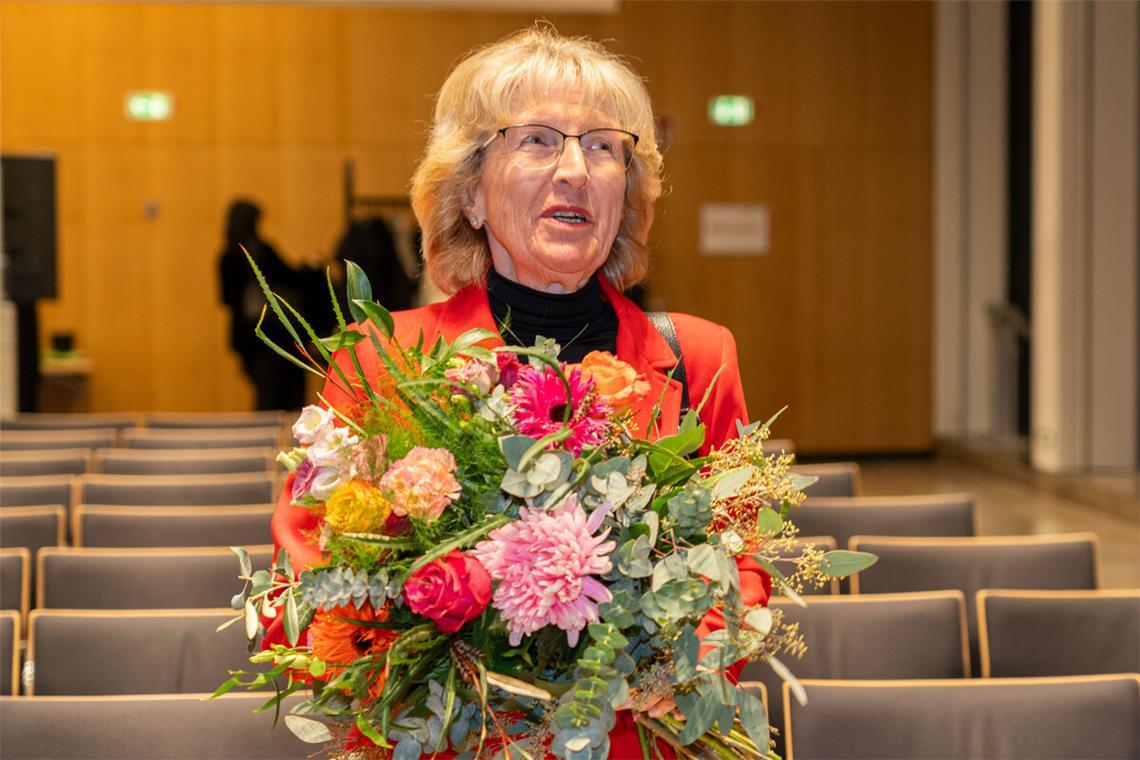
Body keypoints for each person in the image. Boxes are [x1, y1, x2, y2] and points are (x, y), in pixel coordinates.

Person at [271, 27, 758, 757]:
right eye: (537, 140)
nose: (575, 170)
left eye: (603, 147)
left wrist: (671, 668)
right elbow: (311, 570)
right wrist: (445, 677)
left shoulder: (701, 357)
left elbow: (741, 565)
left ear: (625, 195)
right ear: (469, 192)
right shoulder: (382, 359)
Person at [218, 199, 324, 411]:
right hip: (277, 332)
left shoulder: (226, 256)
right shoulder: (261, 250)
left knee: (265, 394)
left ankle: (264, 440)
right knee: (283, 394)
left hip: (247, 336)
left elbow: (226, 299)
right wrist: (311, 266)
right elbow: (292, 279)